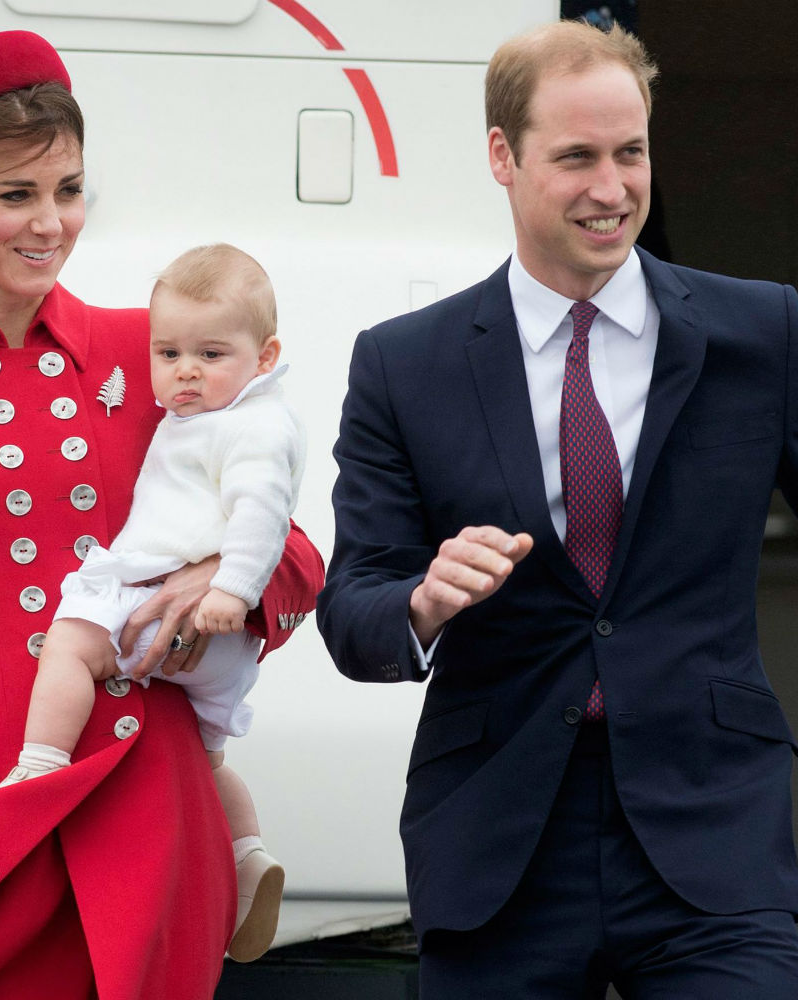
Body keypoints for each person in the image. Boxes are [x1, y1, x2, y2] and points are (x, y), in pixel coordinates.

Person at [0, 31, 322, 998]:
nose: (51, 222)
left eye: (69, 190)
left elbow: (291, 544)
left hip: (149, 792)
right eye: (16, 195)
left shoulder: (151, 349)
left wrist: (218, 581)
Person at [318, 18, 798, 999]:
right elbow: (350, 608)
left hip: (713, 830)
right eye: (575, 157)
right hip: (498, 845)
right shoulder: (402, 364)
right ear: (502, 155)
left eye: (631, 153)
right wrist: (421, 600)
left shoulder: (764, 331)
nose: (612, 188)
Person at [1, 242, 304, 964]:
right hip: (221, 652)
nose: (184, 371)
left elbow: (270, 516)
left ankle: (39, 765)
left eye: (208, 355)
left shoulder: (250, 423)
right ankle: (249, 853)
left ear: (264, 359)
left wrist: (230, 586)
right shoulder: (217, 408)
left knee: (72, 642)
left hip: (173, 613)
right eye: (167, 354)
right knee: (209, 757)